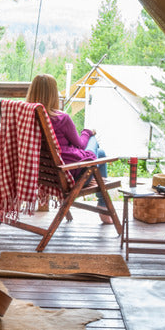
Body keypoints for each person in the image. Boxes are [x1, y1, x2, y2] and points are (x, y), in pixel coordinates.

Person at [26, 73, 112, 223]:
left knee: (101, 154)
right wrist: (87, 132)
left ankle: (98, 183)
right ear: (53, 94)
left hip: (44, 174)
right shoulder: (61, 118)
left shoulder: (26, 118)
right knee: (92, 138)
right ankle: (103, 204)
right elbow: (80, 144)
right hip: (68, 176)